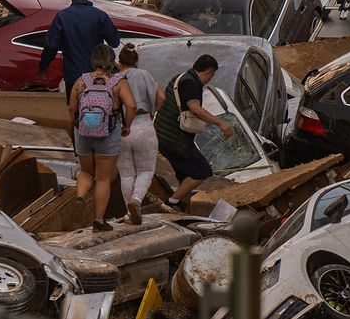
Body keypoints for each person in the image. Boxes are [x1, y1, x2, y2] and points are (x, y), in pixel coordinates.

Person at [69, 44, 136, 232]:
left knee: (86, 171)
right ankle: (98, 221)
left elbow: (72, 108)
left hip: (83, 133)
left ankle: (80, 195)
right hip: (108, 132)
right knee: (104, 178)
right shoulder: (118, 82)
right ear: (111, 59)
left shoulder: (81, 81)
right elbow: (131, 106)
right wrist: (127, 126)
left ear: (93, 60)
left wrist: (77, 125)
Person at [153, 55, 232, 210]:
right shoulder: (191, 84)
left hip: (163, 136)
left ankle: (180, 206)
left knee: (184, 175)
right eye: (212, 75)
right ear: (209, 72)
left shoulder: (180, 77)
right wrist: (221, 123)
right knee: (202, 171)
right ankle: (171, 202)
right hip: (175, 139)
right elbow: (195, 109)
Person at [39, 0, 121, 98]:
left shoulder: (62, 17)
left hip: (73, 75)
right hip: (97, 75)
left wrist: (44, 65)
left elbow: (51, 45)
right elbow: (115, 41)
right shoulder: (100, 16)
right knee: (98, 108)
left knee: (75, 110)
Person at [116, 43, 165, 225]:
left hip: (122, 128)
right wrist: (154, 110)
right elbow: (162, 97)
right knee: (145, 170)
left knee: (127, 174)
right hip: (143, 123)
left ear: (119, 62)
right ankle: (136, 201)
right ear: (137, 62)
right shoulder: (145, 74)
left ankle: (130, 213)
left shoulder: (116, 78)